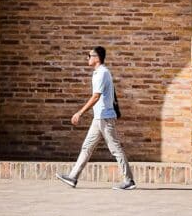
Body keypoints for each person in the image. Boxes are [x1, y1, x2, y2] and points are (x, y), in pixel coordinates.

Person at [57, 46, 136, 190]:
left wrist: (80, 113)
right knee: (87, 147)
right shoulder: (98, 73)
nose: (87, 58)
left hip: (105, 118)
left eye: (89, 55)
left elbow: (96, 97)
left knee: (115, 149)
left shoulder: (102, 73)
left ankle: (129, 180)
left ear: (97, 58)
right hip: (98, 118)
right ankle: (73, 177)